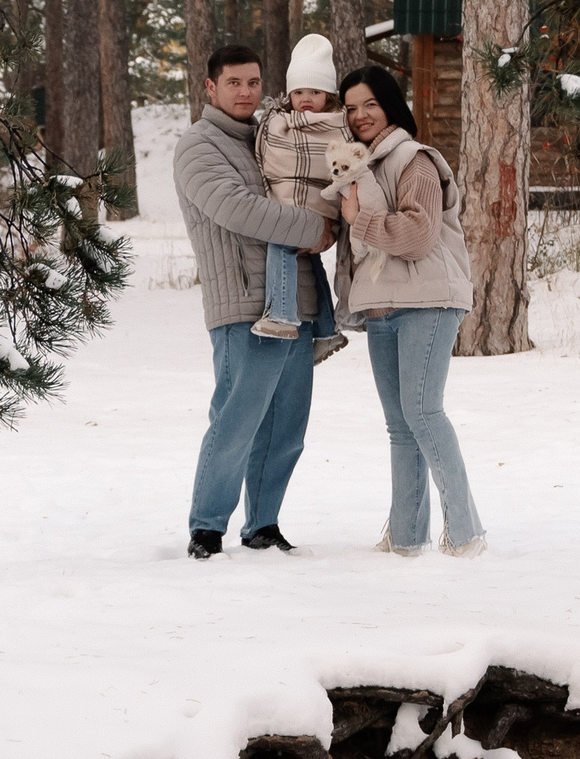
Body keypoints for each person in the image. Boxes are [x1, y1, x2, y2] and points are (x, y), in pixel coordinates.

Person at [173, 44, 336, 559]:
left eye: (253, 82)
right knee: (236, 419)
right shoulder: (198, 146)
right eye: (233, 82)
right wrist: (317, 227)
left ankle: (263, 523)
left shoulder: (272, 137)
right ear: (210, 87)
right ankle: (207, 527)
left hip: (298, 302)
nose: (245, 92)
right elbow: (238, 209)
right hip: (245, 304)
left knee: (286, 426)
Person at [333, 63, 488, 558]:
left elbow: (418, 235)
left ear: (391, 105)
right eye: (351, 108)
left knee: (423, 412)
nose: (360, 116)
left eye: (370, 104)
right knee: (400, 425)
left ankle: (466, 534)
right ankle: (405, 538)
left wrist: (359, 219)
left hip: (427, 300)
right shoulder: (361, 165)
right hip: (383, 305)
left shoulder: (413, 159)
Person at [252, 35, 352, 366]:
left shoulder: (337, 125)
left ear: (329, 95)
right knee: (309, 261)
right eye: (298, 92)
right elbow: (273, 158)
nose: (305, 99)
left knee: (281, 243)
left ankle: (281, 315)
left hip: (317, 207)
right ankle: (326, 329)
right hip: (290, 202)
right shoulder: (278, 123)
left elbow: (337, 168)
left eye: (315, 92)